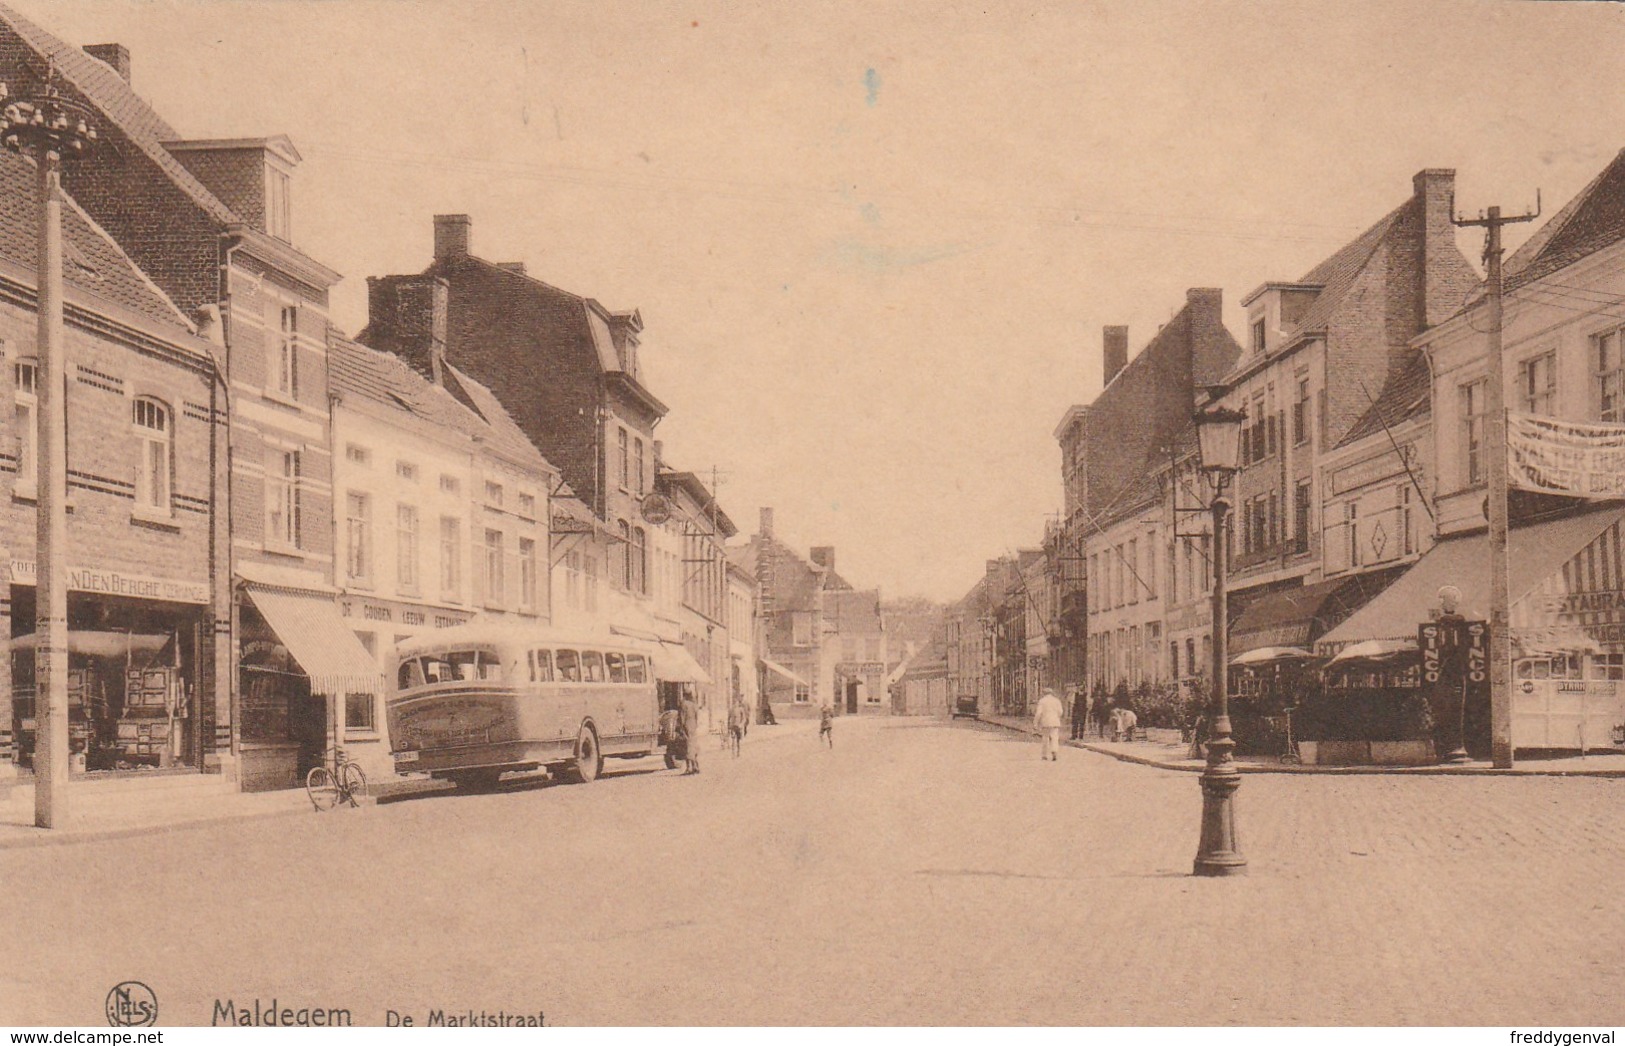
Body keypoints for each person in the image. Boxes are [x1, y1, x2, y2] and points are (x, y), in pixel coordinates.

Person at [1033, 687, 1065, 761]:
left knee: (1045, 738)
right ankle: (1054, 751)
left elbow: (1038, 713)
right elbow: (1060, 712)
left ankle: (1044, 755)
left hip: (1046, 722)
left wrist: (1035, 722)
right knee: (1054, 737)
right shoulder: (1057, 700)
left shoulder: (1042, 701)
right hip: (1055, 721)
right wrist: (1057, 717)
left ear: (1044, 693)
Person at [679, 690, 702, 775]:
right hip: (693, 726)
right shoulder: (694, 705)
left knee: (687, 746)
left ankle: (689, 768)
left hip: (687, 725)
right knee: (693, 746)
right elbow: (697, 717)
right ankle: (695, 766)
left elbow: (682, 717)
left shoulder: (684, 704)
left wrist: (681, 727)